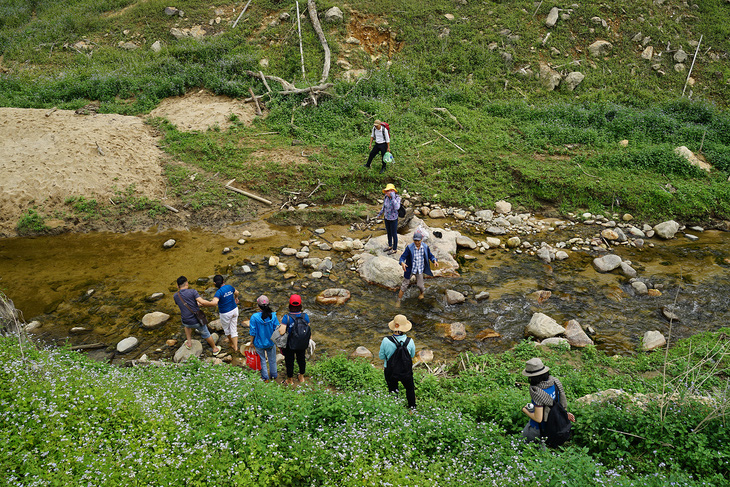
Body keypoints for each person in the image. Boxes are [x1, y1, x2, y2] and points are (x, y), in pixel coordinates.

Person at [520, 358, 576, 443]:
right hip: (554, 423)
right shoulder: (555, 382)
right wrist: (564, 413)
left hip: (540, 428)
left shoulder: (537, 392)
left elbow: (538, 418)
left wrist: (525, 409)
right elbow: (560, 402)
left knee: (521, 442)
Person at [173, 276, 222, 356]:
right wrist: (212, 304)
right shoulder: (192, 292)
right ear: (187, 284)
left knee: (186, 326)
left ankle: (189, 342)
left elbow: (183, 304)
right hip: (196, 320)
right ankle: (214, 348)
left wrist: (195, 304)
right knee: (206, 333)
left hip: (185, 320)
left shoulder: (175, 295)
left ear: (178, 286)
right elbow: (202, 302)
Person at [378, 314, 416, 409]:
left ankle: (395, 407)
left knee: (393, 389)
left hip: (390, 371)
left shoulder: (385, 340)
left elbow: (381, 356)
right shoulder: (410, 341)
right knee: (410, 389)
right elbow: (412, 355)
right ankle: (412, 408)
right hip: (406, 372)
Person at [397, 230, 439, 305]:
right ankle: (398, 300)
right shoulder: (409, 248)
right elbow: (402, 258)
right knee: (404, 286)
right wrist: (402, 263)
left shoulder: (425, 247)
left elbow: (431, 256)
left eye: (418, 241)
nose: (417, 242)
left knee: (420, 286)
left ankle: (421, 293)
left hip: (419, 269)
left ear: (421, 240)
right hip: (410, 269)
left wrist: (434, 261)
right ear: (413, 240)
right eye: (415, 240)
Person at [279, 294, 309, 385]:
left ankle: (290, 380)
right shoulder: (305, 316)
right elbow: (308, 330)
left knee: (290, 362)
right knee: (301, 359)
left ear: (289, 305)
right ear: (300, 305)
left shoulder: (286, 317)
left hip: (290, 345)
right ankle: (301, 377)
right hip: (302, 343)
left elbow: (281, 332)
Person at [205, 274, 240, 353]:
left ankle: (231, 343)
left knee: (227, 330)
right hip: (234, 310)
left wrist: (203, 304)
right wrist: (236, 298)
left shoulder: (219, 292)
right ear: (223, 281)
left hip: (225, 313)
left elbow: (214, 303)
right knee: (233, 328)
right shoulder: (229, 287)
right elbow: (237, 292)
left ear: (214, 284)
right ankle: (236, 347)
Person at [249, 295, 279, 382]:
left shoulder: (254, 317)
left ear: (258, 306)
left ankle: (265, 378)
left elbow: (252, 332)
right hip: (271, 342)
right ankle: (274, 375)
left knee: (262, 360)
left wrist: (251, 342)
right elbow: (276, 329)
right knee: (272, 359)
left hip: (259, 343)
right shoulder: (273, 316)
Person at [377, 183, 401, 255]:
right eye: (387, 191)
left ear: (393, 191)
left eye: (390, 191)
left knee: (394, 234)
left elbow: (397, 207)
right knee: (388, 232)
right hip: (386, 217)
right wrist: (380, 214)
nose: (388, 192)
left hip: (393, 219)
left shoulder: (397, 198)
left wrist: (393, 198)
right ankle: (390, 245)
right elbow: (384, 207)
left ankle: (394, 249)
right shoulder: (386, 197)